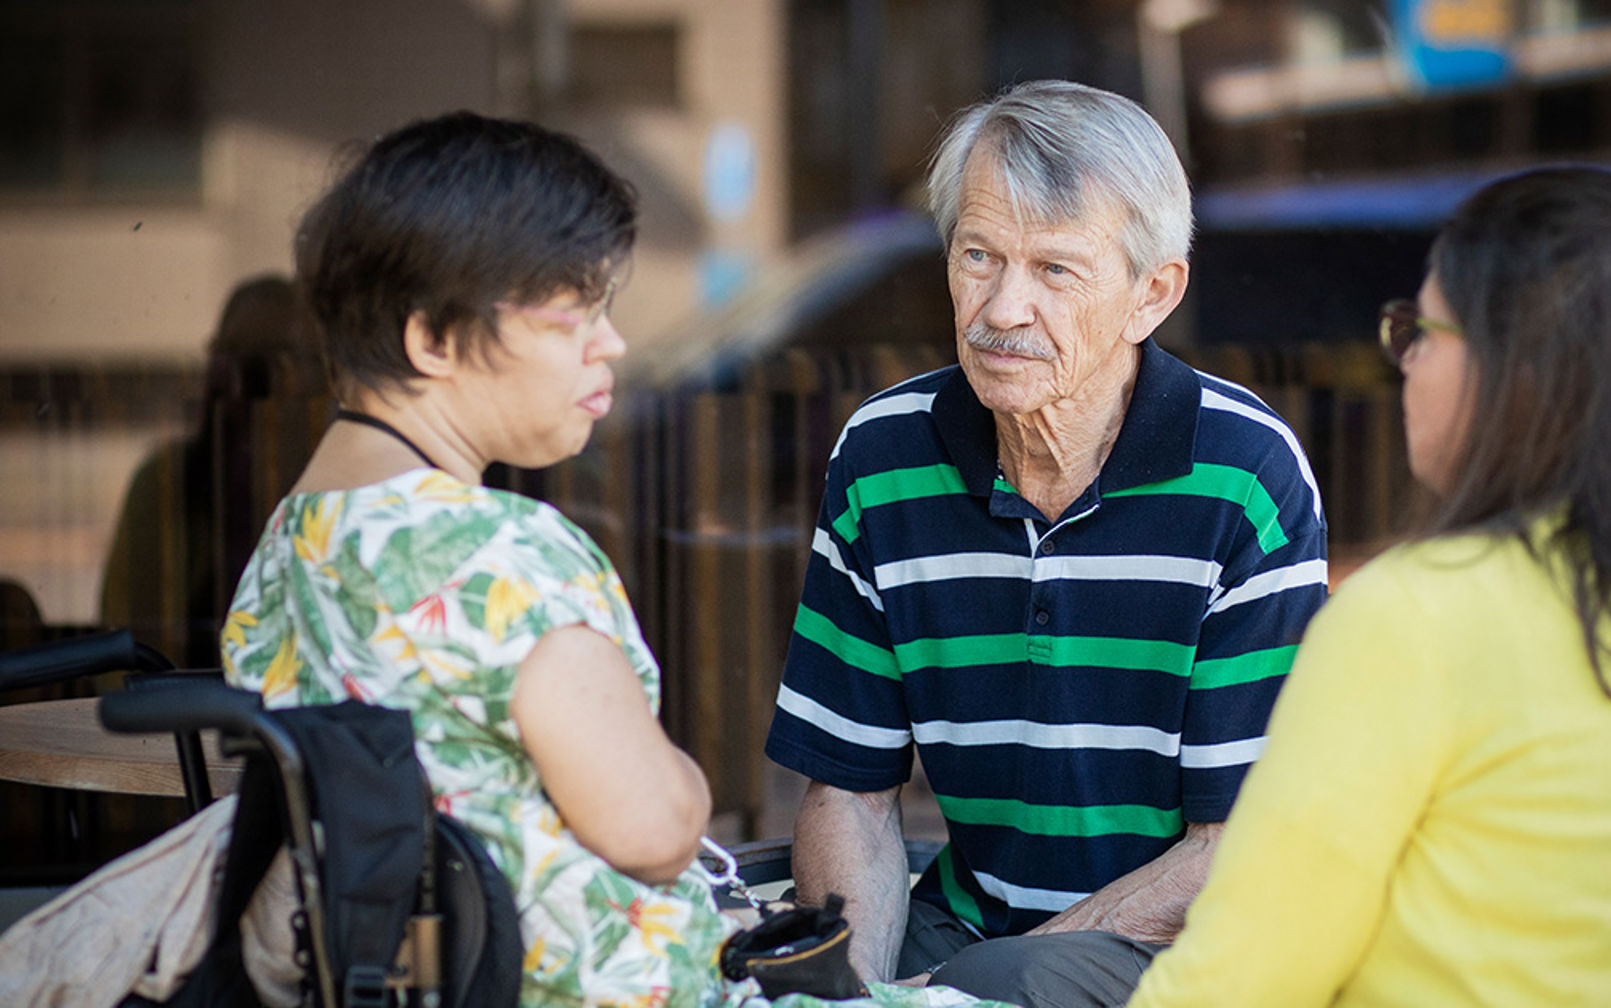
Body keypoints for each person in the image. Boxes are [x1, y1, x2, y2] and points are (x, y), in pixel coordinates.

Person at [219, 111, 994, 1008]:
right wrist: (685, 779)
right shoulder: (508, 554)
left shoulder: (286, 551)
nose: (611, 343)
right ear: (430, 338)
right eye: (570, 314)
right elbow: (657, 829)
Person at [1130, 167, 1611, 1008]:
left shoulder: (1415, 618)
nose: (1405, 364)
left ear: (1515, 372)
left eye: (1420, 330)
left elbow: (1233, 988)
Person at [764, 80, 1329, 1007]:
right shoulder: (883, 455)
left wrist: (959, 990)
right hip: (969, 919)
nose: (1003, 308)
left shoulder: (1242, 474)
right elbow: (851, 794)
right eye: (978, 255)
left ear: (1153, 293)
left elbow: (1236, 846)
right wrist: (856, 994)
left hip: (1176, 949)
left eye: (1055, 270)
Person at [100, 273, 326, 669]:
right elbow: (126, 645)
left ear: (319, 376)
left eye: (270, 364)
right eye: (228, 357)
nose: (241, 382)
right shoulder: (166, 484)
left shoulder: (337, 486)